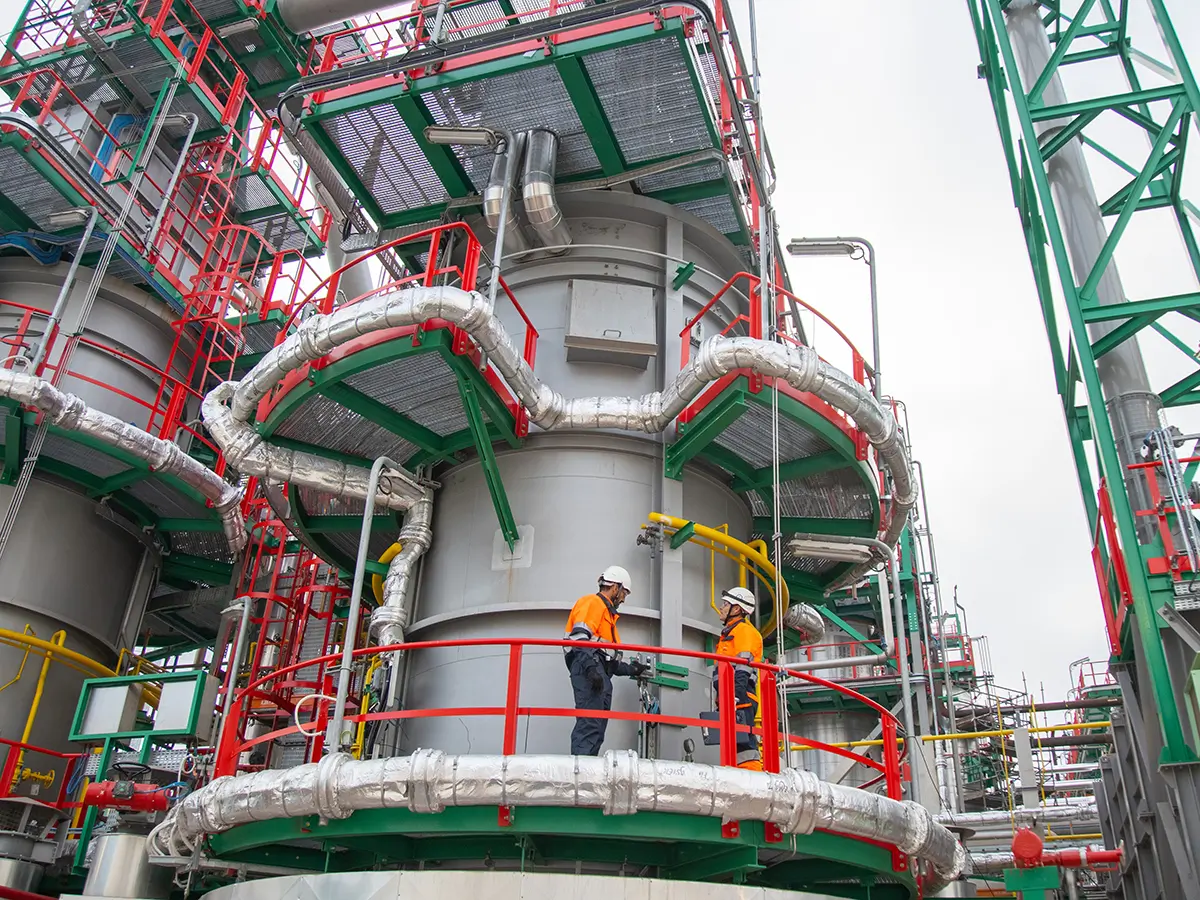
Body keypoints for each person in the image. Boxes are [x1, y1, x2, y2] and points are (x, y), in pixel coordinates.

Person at [563, 565, 650, 755]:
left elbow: (610, 661)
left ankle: (588, 769)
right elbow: (579, 639)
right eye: (624, 593)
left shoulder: (607, 616)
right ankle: (580, 771)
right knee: (589, 725)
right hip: (587, 666)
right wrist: (591, 670)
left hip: (597, 670)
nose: (624, 598)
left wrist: (633, 669)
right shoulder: (592, 603)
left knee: (597, 729)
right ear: (615, 587)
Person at [713, 586, 765, 771]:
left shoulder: (744, 631)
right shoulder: (729, 633)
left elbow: (743, 665)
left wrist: (735, 696)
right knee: (735, 742)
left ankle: (753, 777)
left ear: (736, 609)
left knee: (743, 742)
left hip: (740, 696)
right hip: (731, 696)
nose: (721, 607)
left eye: (725, 604)